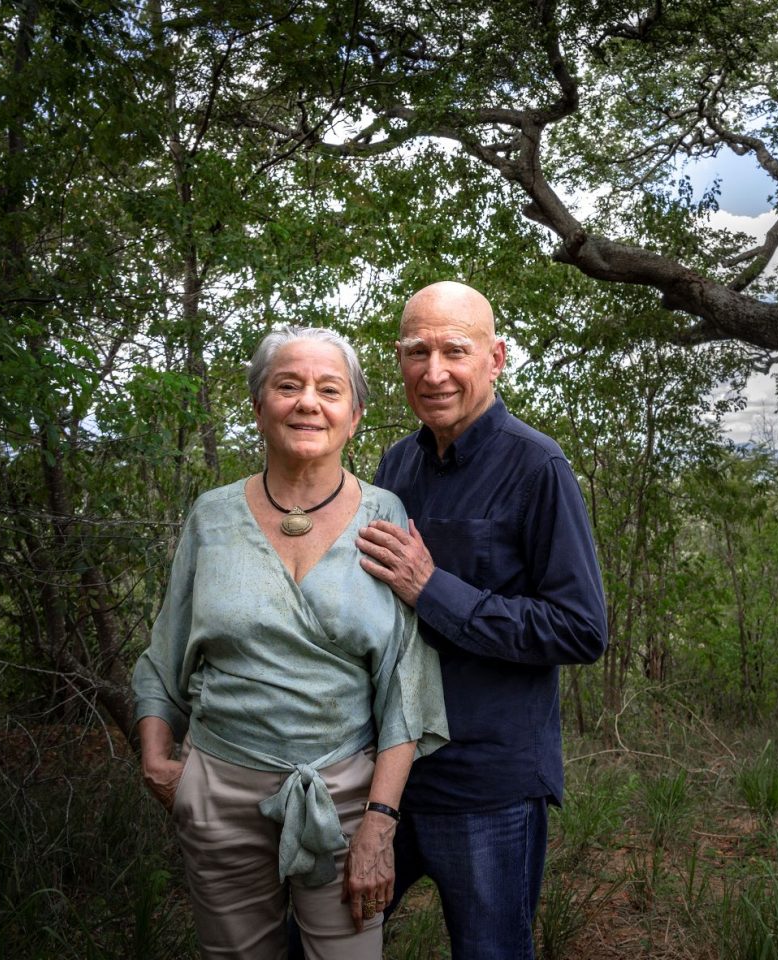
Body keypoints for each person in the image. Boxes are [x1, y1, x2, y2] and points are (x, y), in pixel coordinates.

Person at [131, 326, 448, 959]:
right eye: (288, 385)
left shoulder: (384, 515)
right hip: (218, 787)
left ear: (354, 416)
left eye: (330, 390)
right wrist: (159, 760)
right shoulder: (212, 515)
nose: (308, 402)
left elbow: (406, 685)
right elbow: (164, 653)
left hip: (345, 797)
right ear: (258, 406)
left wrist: (379, 823)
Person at [353, 280, 607, 959]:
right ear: (398, 361)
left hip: (487, 787)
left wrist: (434, 588)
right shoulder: (395, 465)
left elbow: (581, 628)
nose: (434, 372)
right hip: (388, 777)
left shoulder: (537, 466)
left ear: (496, 358)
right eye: (417, 351)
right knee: (324, 939)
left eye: (455, 351)